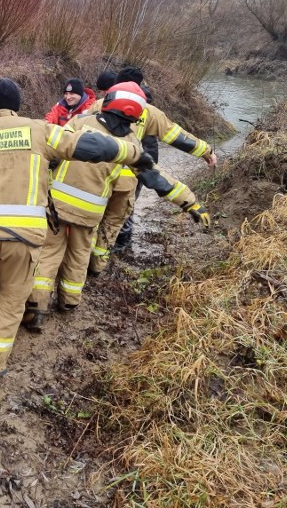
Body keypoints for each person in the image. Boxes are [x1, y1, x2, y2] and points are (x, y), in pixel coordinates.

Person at [0, 78, 152, 390]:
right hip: (23, 238)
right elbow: (87, 145)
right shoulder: (39, 130)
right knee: (11, 299)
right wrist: (133, 153)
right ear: (17, 106)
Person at [24, 82, 210, 331]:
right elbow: (157, 178)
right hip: (90, 213)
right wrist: (191, 203)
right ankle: (69, 302)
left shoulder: (81, 123)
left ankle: (37, 307)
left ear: (109, 101)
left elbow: (53, 154)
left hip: (56, 206)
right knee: (79, 255)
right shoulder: (132, 145)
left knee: (48, 254)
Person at [88, 68, 217, 273]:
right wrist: (206, 151)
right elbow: (177, 136)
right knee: (114, 222)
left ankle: (85, 260)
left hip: (98, 175)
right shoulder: (149, 111)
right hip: (131, 175)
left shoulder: (98, 104)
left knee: (93, 217)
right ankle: (101, 264)